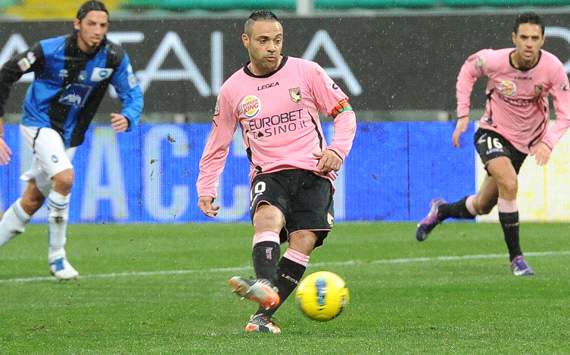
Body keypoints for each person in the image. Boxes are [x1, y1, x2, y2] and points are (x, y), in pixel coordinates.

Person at [196, 10, 356, 334]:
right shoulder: (233, 90)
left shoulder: (307, 72)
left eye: (277, 40)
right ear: (246, 41)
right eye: (264, 40)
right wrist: (206, 185)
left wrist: (337, 149)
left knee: (303, 240)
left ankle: (262, 317)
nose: (272, 47)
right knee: (267, 218)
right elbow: (218, 143)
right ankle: (265, 282)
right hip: (270, 172)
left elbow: (346, 113)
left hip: (314, 171)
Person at [416, 12, 570, 276]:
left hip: (524, 144)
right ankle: (517, 259)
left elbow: (566, 113)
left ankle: (441, 211)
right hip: (492, 132)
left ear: (543, 40)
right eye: (523, 37)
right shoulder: (494, 60)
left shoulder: (553, 69)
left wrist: (548, 141)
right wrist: (463, 114)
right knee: (509, 183)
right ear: (514, 38)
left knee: (482, 205)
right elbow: (467, 71)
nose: (529, 43)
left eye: (535, 38)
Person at [0, 1, 143, 280]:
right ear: (77, 24)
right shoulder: (49, 50)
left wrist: (128, 116)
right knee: (64, 178)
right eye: (91, 24)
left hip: (71, 135)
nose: (98, 30)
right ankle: (57, 258)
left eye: (103, 25)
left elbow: (133, 93)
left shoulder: (113, 57)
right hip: (38, 122)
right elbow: (6, 73)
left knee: (31, 201)